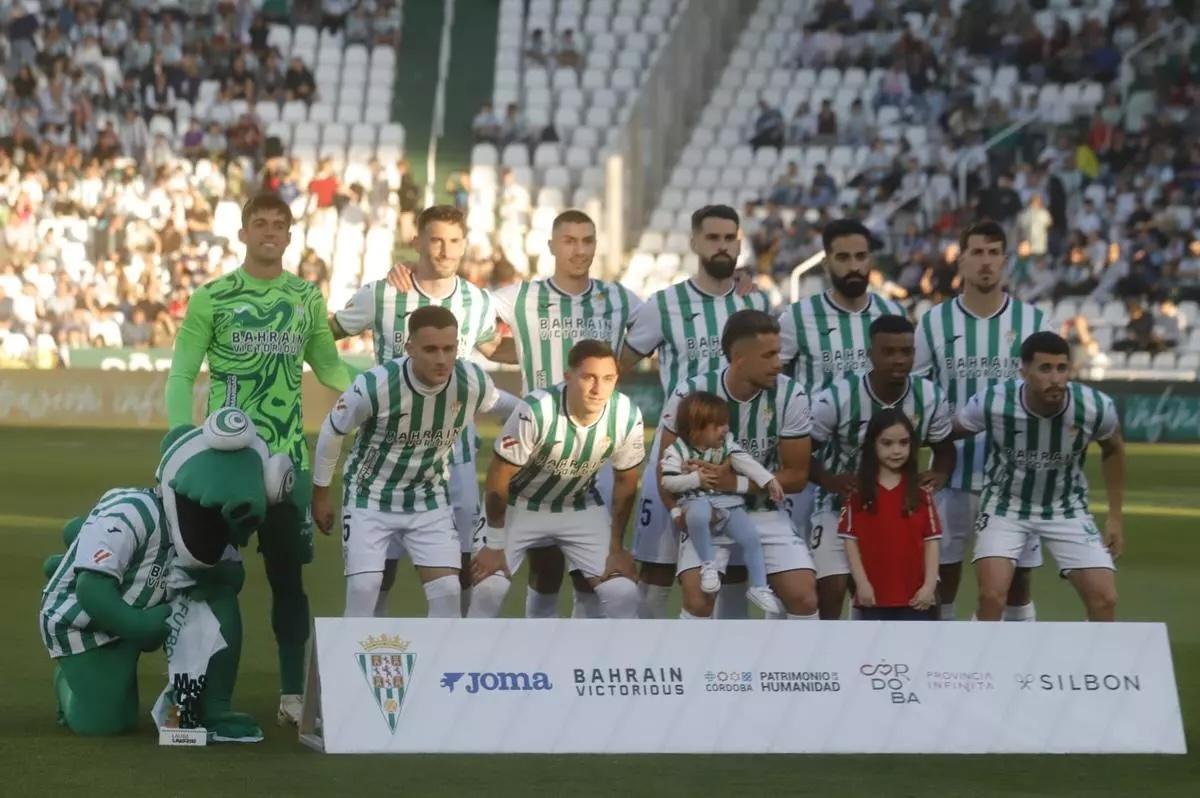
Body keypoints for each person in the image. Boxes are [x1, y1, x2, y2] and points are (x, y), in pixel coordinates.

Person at [165, 193, 352, 726]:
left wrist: (375, 393)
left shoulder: (306, 298)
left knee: (288, 581)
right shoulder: (213, 297)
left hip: (287, 464)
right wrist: (180, 437)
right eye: (259, 223)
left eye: (279, 224)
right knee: (203, 579)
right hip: (223, 464)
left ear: (290, 236)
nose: (270, 231)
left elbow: (329, 369)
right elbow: (182, 374)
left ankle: (293, 696)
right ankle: (193, 693)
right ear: (243, 233)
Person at [331, 205, 514, 615]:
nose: (445, 250)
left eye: (453, 241)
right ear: (416, 242)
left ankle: (455, 649)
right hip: (386, 457)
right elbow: (328, 333)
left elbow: (491, 348)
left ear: (464, 244)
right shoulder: (382, 293)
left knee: (463, 562)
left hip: (456, 456)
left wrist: (549, 353)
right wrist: (347, 385)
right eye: (435, 239)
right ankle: (369, 652)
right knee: (382, 567)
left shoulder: (476, 300)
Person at [489, 209, 643, 619]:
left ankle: (578, 664)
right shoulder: (520, 297)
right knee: (546, 565)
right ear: (553, 246)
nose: (579, 249)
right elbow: (468, 319)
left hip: (595, 447)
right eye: (570, 240)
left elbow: (657, 326)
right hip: (536, 440)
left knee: (588, 570)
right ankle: (540, 652)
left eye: (587, 240)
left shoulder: (620, 298)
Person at [312, 307, 513, 619]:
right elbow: (331, 430)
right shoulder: (376, 385)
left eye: (449, 349)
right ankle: (330, 664)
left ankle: (435, 668)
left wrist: (547, 418)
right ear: (410, 349)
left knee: (447, 592)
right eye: (430, 349)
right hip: (370, 496)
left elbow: (511, 408)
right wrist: (321, 494)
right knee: (365, 590)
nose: (441, 359)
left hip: (428, 498)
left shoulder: (471, 380)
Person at [621, 205, 770, 619]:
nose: (722, 246)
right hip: (672, 456)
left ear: (739, 244)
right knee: (654, 573)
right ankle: (648, 670)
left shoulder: (755, 303)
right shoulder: (663, 306)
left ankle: (720, 677)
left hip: (730, 458)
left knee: (731, 577)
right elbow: (617, 367)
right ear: (694, 243)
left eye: (729, 239)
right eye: (712, 238)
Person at [914, 219, 1051, 623]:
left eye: (994, 253)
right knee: (942, 576)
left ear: (1005, 261)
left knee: (1018, 582)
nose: (986, 261)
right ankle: (942, 662)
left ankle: (1016, 667)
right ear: (962, 260)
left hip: (1016, 480)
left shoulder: (1033, 322)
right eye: (977, 252)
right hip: (953, 478)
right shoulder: (934, 323)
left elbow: (1050, 393)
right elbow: (918, 396)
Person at [953, 332, 1125, 621]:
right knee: (992, 596)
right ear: (1024, 371)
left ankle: (1092, 666)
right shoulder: (994, 401)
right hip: (1005, 506)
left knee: (1105, 599)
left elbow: (1114, 449)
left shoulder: (1095, 406)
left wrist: (1115, 518)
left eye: (1062, 368)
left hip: (1066, 508)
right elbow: (948, 431)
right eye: (1045, 369)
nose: (1056, 378)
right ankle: (980, 664)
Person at [467, 341, 645, 620]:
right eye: (589, 377)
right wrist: (494, 543)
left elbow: (626, 481)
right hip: (519, 504)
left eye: (608, 379)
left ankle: (605, 663)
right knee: (489, 587)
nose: (599, 389)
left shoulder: (626, 414)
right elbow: (499, 475)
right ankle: (470, 661)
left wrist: (617, 548)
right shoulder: (538, 409)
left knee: (623, 592)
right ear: (568, 376)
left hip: (578, 504)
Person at [659, 310, 818, 620]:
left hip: (764, 510)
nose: (779, 362)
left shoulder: (791, 394)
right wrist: (678, 512)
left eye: (779, 352)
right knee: (698, 599)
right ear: (739, 358)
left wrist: (734, 483)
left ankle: (796, 669)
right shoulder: (690, 393)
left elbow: (798, 475)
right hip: (707, 511)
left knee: (804, 596)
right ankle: (693, 666)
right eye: (769, 354)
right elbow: (665, 468)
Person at [776, 218, 906, 596]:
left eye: (861, 257)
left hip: (875, 472)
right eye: (843, 257)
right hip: (805, 471)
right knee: (796, 587)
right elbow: (774, 383)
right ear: (827, 262)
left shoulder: (889, 313)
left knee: (873, 584)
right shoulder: (797, 318)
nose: (853, 266)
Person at [808, 314, 955, 618]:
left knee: (919, 594)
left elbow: (945, 450)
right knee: (832, 588)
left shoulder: (930, 397)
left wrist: (940, 474)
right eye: (888, 352)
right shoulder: (837, 397)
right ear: (870, 354)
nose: (899, 360)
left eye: (906, 351)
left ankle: (913, 662)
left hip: (902, 511)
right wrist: (829, 480)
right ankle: (830, 662)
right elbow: (801, 454)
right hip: (839, 507)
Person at [660, 391, 785, 613]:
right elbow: (668, 482)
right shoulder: (676, 450)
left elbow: (745, 461)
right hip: (695, 499)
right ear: (696, 429)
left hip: (726, 501)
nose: (725, 429)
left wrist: (768, 480)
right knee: (698, 515)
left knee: (750, 537)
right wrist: (695, 479)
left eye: (725, 424)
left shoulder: (726, 444)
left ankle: (759, 586)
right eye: (718, 425)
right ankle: (708, 565)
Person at [840, 408, 942, 621]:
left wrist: (929, 586)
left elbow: (932, 541)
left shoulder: (921, 494)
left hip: (916, 600)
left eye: (903, 443)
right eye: (887, 443)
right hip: (873, 599)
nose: (896, 451)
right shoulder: (858, 494)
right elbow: (851, 542)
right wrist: (862, 584)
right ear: (872, 445)